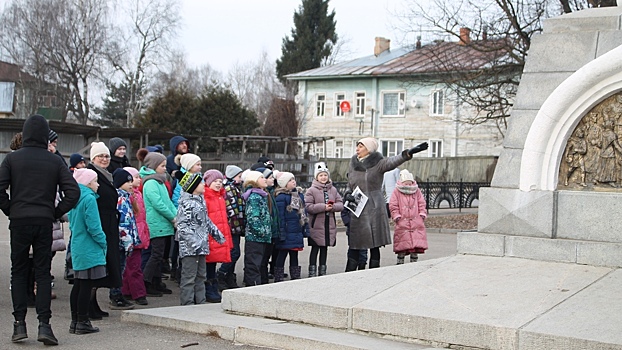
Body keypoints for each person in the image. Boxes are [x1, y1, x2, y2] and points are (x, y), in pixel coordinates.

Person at [0, 114, 80, 345]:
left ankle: (19, 325)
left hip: (20, 221)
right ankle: (44, 325)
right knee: (43, 273)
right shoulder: (54, 160)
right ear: (45, 135)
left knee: (19, 271)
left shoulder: (12, 159)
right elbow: (73, 192)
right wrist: (55, 212)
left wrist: (10, 209)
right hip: (45, 221)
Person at [344, 137, 428, 271]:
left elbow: (393, 161)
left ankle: (374, 273)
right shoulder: (353, 163)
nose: (357, 149)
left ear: (369, 149)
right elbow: (350, 182)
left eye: (360, 146)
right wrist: (348, 193)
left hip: (374, 206)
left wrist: (407, 154)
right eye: (357, 146)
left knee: (374, 244)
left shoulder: (379, 163)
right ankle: (349, 274)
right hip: (358, 207)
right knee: (355, 243)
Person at [87, 142, 133, 317]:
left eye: (106, 156)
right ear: (93, 158)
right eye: (101, 156)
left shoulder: (106, 175)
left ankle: (93, 303)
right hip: (100, 223)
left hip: (109, 222)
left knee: (104, 266)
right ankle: (88, 305)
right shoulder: (92, 175)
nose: (105, 159)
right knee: (95, 266)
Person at [67, 169, 107, 335]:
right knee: (86, 285)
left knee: (78, 284)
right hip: (89, 247)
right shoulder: (89, 198)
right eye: (96, 181)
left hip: (78, 245)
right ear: (88, 183)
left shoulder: (75, 197)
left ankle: (75, 320)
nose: (98, 184)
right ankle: (83, 321)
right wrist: (103, 241)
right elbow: (94, 226)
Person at [176, 172, 224, 305]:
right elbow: (182, 226)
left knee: (201, 276)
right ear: (192, 186)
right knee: (189, 277)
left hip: (202, 246)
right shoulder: (186, 203)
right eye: (200, 182)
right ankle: (187, 304)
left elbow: (206, 221)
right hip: (190, 249)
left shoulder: (200, 201)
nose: (204, 184)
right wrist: (194, 242)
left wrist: (218, 235)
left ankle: (200, 302)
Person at [140, 152, 176, 296]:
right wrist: (173, 217)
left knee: (160, 255)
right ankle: (146, 282)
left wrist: (176, 215)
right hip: (157, 224)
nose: (165, 169)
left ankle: (156, 281)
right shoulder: (150, 183)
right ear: (154, 166)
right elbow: (158, 204)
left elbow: (168, 202)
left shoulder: (160, 181)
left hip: (164, 224)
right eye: (162, 166)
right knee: (155, 255)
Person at [304, 163, 343, 277]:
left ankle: (322, 270)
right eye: (321, 175)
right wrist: (323, 207)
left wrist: (332, 207)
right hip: (316, 225)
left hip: (328, 225)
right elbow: (308, 207)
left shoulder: (333, 190)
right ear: (316, 177)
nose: (323, 177)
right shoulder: (311, 190)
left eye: (325, 175)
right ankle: (312, 271)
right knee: (315, 248)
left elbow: (340, 204)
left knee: (324, 248)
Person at [113, 168, 145, 306]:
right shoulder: (120, 199)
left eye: (131, 181)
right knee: (119, 269)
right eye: (128, 181)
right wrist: (127, 241)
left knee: (123, 268)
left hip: (127, 240)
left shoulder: (127, 197)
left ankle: (120, 293)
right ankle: (116, 295)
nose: (131, 184)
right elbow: (123, 223)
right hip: (122, 241)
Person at [202, 170, 232, 303]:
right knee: (208, 264)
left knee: (213, 263)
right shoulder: (206, 197)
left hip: (218, 235)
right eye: (215, 181)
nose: (218, 184)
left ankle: (212, 286)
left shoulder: (220, 197)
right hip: (210, 236)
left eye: (220, 181)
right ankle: (208, 288)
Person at [273, 172, 309, 282]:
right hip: (287, 230)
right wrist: (282, 231)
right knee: (282, 254)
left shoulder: (298, 195)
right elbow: (280, 216)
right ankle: (278, 276)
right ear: (284, 184)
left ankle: (295, 276)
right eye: (290, 180)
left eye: (293, 179)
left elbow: (303, 213)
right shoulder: (281, 197)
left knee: (294, 253)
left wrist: (304, 228)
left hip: (296, 230)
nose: (293, 181)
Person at [121, 167, 149, 304]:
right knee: (134, 266)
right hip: (132, 236)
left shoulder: (138, 194)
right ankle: (138, 293)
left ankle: (126, 291)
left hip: (139, 234)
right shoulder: (127, 197)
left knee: (131, 265)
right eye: (136, 177)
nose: (139, 179)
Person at [389, 169, 428, 264]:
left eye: (410, 183)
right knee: (402, 243)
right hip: (402, 222)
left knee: (415, 244)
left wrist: (422, 213)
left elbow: (421, 203)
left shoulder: (416, 190)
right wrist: (396, 215)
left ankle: (414, 261)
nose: (408, 186)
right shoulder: (397, 191)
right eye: (406, 183)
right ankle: (400, 261)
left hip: (416, 221)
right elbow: (393, 205)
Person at [217, 165, 245, 290]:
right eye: (239, 176)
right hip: (231, 227)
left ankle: (229, 276)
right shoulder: (229, 189)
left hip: (236, 227)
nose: (241, 179)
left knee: (234, 252)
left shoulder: (236, 188)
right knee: (234, 253)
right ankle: (221, 274)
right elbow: (230, 210)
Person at [241, 171, 272, 286]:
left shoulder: (261, 195)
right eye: (262, 177)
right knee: (253, 266)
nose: (265, 179)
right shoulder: (254, 197)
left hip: (262, 238)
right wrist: (263, 232)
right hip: (255, 238)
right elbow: (253, 218)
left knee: (258, 265)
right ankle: (252, 288)